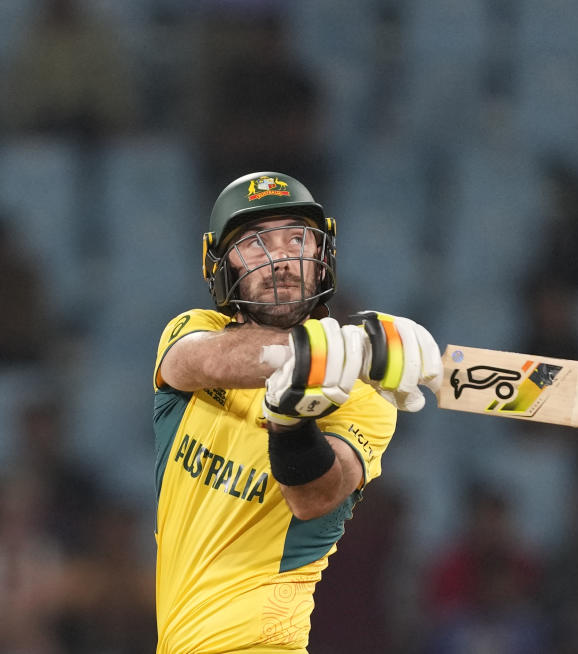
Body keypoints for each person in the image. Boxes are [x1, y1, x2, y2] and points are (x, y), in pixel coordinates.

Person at [152, 171, 441, 653]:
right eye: (256, 242)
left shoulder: (366, 399)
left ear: (322, 259)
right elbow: (203, 360)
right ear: (219, 265)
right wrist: (335, 352)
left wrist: (290, 421)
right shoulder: (190, 333)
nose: (280, 257)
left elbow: (315, 497)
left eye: (296, 238)